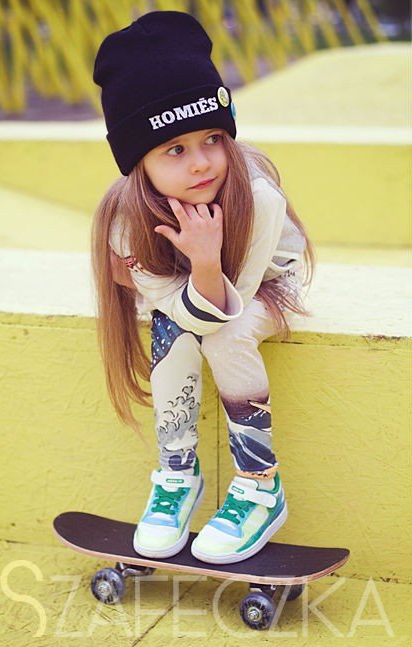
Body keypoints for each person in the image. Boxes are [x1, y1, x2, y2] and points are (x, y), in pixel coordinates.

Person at [91, 10, 315, 564]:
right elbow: (176, 307)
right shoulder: (125, 223)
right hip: (194, 291)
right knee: (171, 330)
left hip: (268, 281)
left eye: (213, 138)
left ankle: (260, 485)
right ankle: (177, 473)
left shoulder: (258, 198)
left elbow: (225, 312)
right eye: (175, 149)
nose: (202, 164)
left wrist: (206, 261)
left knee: (225, 333)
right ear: (138, 162)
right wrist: (192, 268)